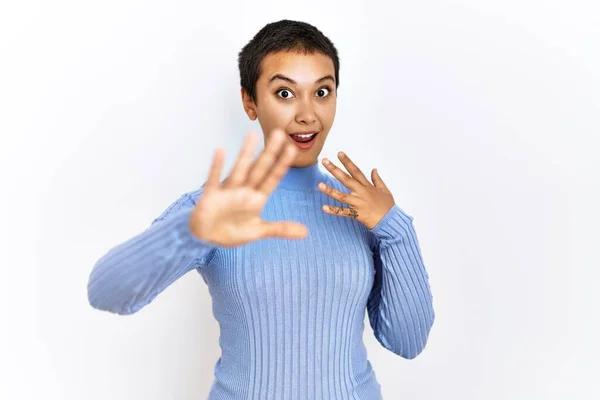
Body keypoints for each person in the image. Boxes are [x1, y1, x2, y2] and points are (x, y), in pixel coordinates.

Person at [87, 19, 435, 400]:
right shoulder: (219, 207)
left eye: (322, 91)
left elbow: (408, 341)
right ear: (249, 102)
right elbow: (106, 292)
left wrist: (394, 228)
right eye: (285, 93)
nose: (307, 114)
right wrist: (190, 231)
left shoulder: (361, 209)